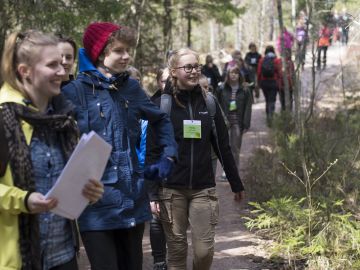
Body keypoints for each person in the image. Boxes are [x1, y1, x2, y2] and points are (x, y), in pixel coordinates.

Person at [61, 22, 177, 270]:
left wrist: (168, 156)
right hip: (95, 205)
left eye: (128, 50)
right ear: (100, 52)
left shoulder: (131, 88)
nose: (126, 56)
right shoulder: (73, 92)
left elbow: (161, 119)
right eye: (119, 50)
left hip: (132, 199)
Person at [0, 30, 104, 270]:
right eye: (52, 65)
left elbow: (70, 183)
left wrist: (90, 191)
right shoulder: (4, 118)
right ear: (25, 71)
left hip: (64, 255)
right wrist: (24, 200)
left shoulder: (64, 120)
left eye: (62, 63)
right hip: (16, 260)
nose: (62, 70)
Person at [148, 48, 245, 270]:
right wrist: (152, 192)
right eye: (188, 67)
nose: (194, 71)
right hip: (171, 190)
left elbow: (223, 146)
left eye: (196, 66)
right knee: (177, 251)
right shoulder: (162, 105)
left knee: (203, 252)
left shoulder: (208, 102)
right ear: (174, 71)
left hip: (203, 188)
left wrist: (235, 182)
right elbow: (153, 151)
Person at [216, 63, 252, 173]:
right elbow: (216, 104)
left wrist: (246, 123)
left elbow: (248, 107)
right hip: (225, 122)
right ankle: (225, 170)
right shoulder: (221, 88)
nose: (234, 75)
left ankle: (234, 170)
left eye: (236, 73)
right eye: (232, 72)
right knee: (225, 148)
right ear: (228, 74)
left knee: (235, 148)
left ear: (239, 75)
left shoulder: (245, 89)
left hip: (238, 122)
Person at [257, 45, 282, 126]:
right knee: (272, 100)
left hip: (264, 82)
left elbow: (259, 72)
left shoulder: (262, 60)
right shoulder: (276, 60)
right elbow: (279, 72)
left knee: (267, 99)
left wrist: (259, 82)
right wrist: (280, 82)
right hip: (273, 82)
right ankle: (271, 116)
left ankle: (268, 115)